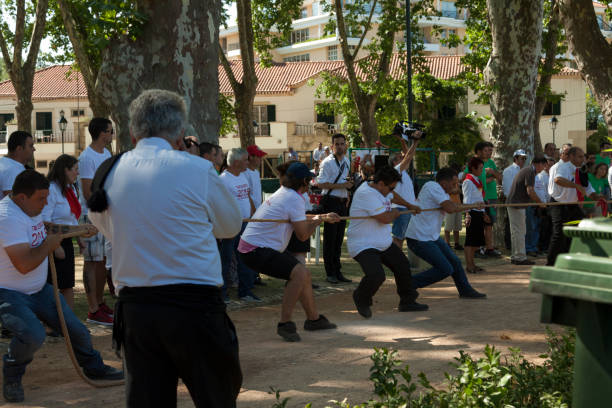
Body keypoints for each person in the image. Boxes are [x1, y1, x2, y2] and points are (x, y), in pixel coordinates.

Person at [88, 89, 242, 407]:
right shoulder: (198, 169)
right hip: (194, 308)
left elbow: (106, 227)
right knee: (216, 398)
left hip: (137, 311)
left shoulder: (110, 171)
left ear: (132, 132)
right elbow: (230, 226)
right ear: (180, 135)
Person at [0, 170, 123, 403]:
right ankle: (12, 375)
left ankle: (95, 368)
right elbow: (24, 264)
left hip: (39, 290)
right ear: (21, 198)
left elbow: (45, 227)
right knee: (32, 334)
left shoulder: (29, 208)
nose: (46, 203)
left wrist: (76, 230)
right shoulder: (7, 218)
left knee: (76, 329)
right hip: (10, 293)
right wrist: (50, 245)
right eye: (41, 199)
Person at [239, 162, 339, 342]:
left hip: (251, 247)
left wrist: (321, 217)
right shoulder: (294, 198)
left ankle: (313, 319)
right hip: (256, 249)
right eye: (308, 180)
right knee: (299, 274)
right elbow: (302, 235)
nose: (309, 183)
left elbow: (297, 217)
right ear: (304, 181)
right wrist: (318, 220)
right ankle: (285, 324)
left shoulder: (284, 193)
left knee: (304, 275)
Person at [348, 166, 427, 318]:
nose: (391, 191)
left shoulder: (383, 190)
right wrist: (396, 213)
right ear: (381, 184)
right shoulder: (366, 193)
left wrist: (410, 206)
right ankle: (361, 297)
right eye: (390, 187)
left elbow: (394, 196)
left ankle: (407, 301)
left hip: (382, 242)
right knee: (376, 275)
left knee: (402, 266)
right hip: (363, 244)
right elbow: (384, 218)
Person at [405, 168, 486, 298]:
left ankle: (465, 290)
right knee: (445, 269)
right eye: (453, 183)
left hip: (431, 237)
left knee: (455, 262)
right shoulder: (432, 186)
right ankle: (408, 284)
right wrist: (473, 205)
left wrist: (472, 203)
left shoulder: (442, 192)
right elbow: (450, 208)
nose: (456, 186)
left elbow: (453, 203)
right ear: (443, 183)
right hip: (419, 238)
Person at [546, 147, 603, 266]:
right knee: (559, 233)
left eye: (583, 156)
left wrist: (596, 196)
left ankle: (571, 257)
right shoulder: (561, 166)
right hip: (558, 204)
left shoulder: (581, 169)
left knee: (580, 228)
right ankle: (551, 263)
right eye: (580, 156)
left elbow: (587, 187)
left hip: (573, 205)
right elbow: (558, 180)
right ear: (571, 157)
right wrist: (576, 186)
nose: (583, 159)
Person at [40, 154, 81, 309]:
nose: (77, 173)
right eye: (75, 169)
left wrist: (80, 237)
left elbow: (71, 215)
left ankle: (69, 322)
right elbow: (44, 220)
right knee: (54, 285)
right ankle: (53, 324)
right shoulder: (51, 189)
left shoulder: (67, 189)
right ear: (65, 170)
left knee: (68, 284)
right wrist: (55, 245)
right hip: (54, 241)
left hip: (67, 239)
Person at [219, 148, 259, 302]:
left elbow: (247, 196)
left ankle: (245, 291)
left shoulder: (242, 176)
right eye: (245, 160)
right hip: (230, 226)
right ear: (236, 162)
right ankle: (222, 294)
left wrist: (253, 215)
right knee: (226, 259)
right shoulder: (223, 180)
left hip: (246, 224)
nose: (248, 162)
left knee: (245, 258)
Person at [316, 133, 353, 284]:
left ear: (346, 145)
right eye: (336, 144)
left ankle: (338, 271)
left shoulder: (347, 161)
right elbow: (320, 184)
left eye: (342, 143)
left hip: (342, 201)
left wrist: (347, 193)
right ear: (332, 146)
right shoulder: (327, 162)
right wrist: (342, 186)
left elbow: (345, 181)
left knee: (338, 239)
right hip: (330, 201)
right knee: (330, 239)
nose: (339, 146)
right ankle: (330, 272)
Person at [506, 155, 548, 265]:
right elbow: (530, 191)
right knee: (520, 231)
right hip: (517, 204)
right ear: (538, 164)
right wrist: (540, 203)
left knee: (516, 231)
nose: (543, 169)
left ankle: (516, 256)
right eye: (543, 166)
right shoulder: (530, 171)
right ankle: (520, 257)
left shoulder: (528, 170)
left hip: (516, 204)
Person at [390, 139, 422, 249]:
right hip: (401, 209)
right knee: (398, 238)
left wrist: (403, 142)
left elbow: (409, 156)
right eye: (400, 157)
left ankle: (398, 262)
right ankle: (396, 262)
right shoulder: (396, 170)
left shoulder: (401, 171)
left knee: (401, 238)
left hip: (406, 209)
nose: (403, 158)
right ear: (394, 162)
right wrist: (415, 142)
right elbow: (408, 157)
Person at [474, 142, 502, 258]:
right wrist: (488, 179)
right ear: (479, 151)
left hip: (492, 197)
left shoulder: (491, 163)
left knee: (490, 224)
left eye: (490, 150)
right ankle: (477, 249)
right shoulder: (473, 163)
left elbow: (499, 177)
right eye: (486, 150)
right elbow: (470, 179)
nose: (489, 153)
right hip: (479, 198)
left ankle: (489, 248)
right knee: (478, 224)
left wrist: (492, 173)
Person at [462, 157, 488, 274]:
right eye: (480, 168)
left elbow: (479, 198)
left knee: (475, 242)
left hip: (478, 213)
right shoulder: (467, 181)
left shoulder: (477, 180)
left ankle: (472, 264)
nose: (482, 170)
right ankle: (469, 265)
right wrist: (467, 214)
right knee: (470, 241)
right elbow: (466, 200)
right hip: (472, 213)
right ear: (473, 168)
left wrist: (483, 213)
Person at [0, 131, 35, 196]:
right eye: (31, 146)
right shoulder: (12, 169)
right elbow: (13, 202)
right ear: (19, 149)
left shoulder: (6, 164)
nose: (34, 149)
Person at [536, 158, 554, 253]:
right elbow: (541, 191)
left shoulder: (552, 175)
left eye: (552, 165)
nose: (550, 167)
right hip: (544, 205)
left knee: (550, 228)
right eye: (548, 165)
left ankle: (547, 247)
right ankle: (542, 247)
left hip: (552, 204)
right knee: (543, 227)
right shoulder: (540, 176)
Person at [444, 163, 463, 250]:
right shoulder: (446, 180)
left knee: (457, 226)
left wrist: (454, 190)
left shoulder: (456, 180)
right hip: (449, 204)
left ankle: (456, 243)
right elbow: (450, 191)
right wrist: (454, 190)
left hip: (458, 204)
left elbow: (458, 190)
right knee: (448, 226)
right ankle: (447, 243)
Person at [245, 145, 266, 209]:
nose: (261, 159)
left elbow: (258, 191)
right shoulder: (244, 173)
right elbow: (247, 194)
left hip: (258, 209)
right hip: (250, 211)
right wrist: (253, 210)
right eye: (259, 157)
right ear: (251, 157)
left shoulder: (256, 172)